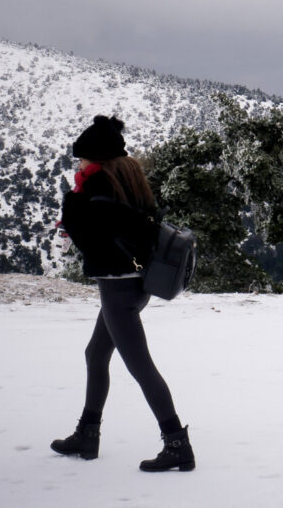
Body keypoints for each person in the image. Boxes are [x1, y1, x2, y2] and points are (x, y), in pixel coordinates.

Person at [51, 115, 195, 472]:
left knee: (141, 367)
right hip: (134, 285)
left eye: (81, 159)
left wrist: (72, 203)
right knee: (95, 354)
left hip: (118, 288)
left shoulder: (97, 191)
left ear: (95, 159)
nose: (79, 165)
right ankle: (87, 434)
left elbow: (88, 241)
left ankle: (177, 444)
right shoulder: (127, 179)